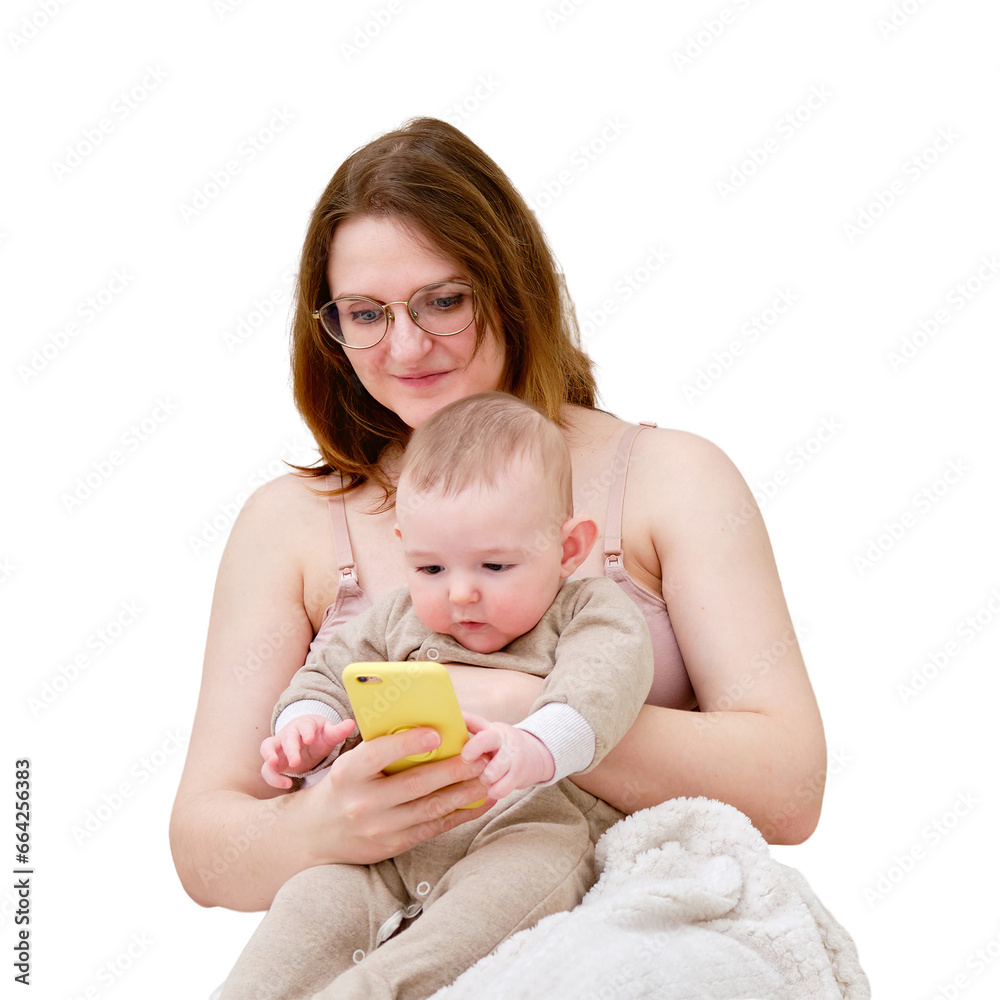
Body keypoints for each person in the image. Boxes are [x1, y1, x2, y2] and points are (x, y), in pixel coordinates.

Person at [169, 116, 827, 922]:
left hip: (632, 938)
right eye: (366, 314)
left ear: (515, 287)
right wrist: (322, 825)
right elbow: (203, 848)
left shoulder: (673, 480)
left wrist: (523, 711)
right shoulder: (290, 525)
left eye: (444, 302)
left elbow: (792, 789)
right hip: (391, 942)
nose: (406, 348)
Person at [218, 391, 654, 999]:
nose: (460, 593)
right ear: (405, 547)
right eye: (431, 569)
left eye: (494, 567)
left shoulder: (588, 611)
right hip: (388, 838)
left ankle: (375, 990)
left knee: (498, 905)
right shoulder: (394, 618)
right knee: (307, 910)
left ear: (568, 548)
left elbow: (601, 689)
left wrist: (534, 746)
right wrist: (306, 728)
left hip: (528, 820)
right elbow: (326, 675)